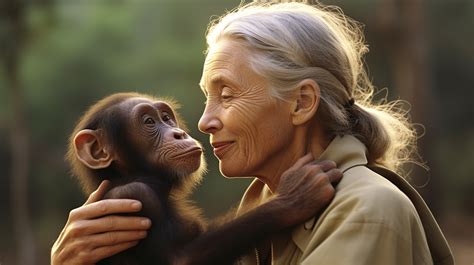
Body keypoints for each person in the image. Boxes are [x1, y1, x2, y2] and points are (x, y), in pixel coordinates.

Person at [52, 1, 454, 265]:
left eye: (226, 94)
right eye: (206, 98)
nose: (205, 122)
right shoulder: (263, 206)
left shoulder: (366, 210)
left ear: (300, 103)